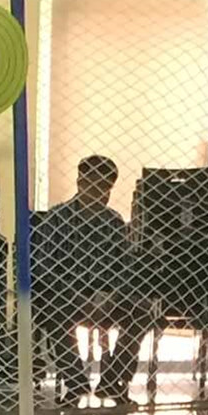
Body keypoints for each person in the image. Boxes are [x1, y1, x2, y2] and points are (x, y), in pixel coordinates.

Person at [37, 155, 135, 402]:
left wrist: (111, 295)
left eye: (106, 187)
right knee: (54, 314)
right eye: (95, 185)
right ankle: (75, 382)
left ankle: (112, 379)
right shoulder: (57, 218)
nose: (101, 193)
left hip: (106, 295)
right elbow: (44, 267)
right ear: (81, 183)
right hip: (68, 294)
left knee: (140, 314)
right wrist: (76, 296)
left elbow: (125, 268)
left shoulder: (114, 221)